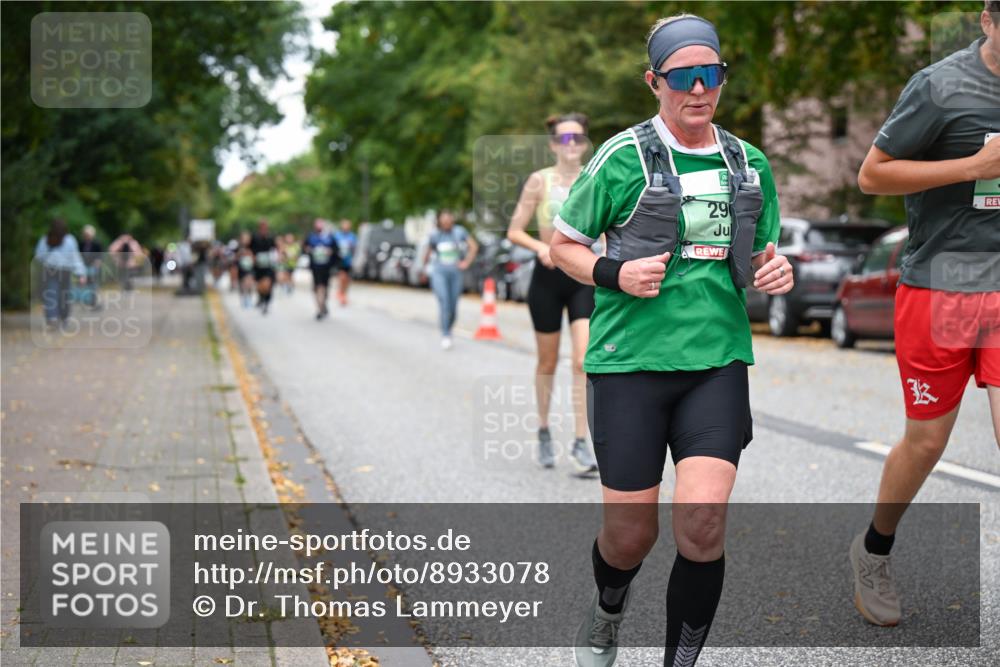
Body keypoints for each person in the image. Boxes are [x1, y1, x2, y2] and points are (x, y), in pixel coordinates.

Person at [547, 15, 793, 666]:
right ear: (654, 82)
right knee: (630, 536)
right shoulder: (622, 159)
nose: (698, 89)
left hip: (716, 362)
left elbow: (764, 253)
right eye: (682, 77)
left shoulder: (748, 162)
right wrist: (614, 272)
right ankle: (605, 611)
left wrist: (777, 268)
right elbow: (562, 245)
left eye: (710, 75)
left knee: (703, 523)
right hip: (630, 364)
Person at [849, 0, 1000, 628]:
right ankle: (874, 549)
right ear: (990, 21)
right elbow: (872, 176)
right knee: (927, 440)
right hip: (940, 287)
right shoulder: (940, 86)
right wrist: (973, 167)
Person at [507, 112, 599, 473]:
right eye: (563, 138)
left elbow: (607, 228)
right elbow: (514, 231)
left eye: (577, 137)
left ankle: (581, 441)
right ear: (553, 145)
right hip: (547, 279)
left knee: (582, 360)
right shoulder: (539, 181)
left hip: (582, 278)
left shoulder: (595, 179)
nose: (571, 144)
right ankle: (544, 429)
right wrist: (541, 249)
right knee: (547, 362)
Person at [421, 210, 478, 350]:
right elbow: (427, 253)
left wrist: (466, 262)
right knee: (445, 301)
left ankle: (449, 327)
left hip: (455, 273)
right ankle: (445, 334)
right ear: (439, 221)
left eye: (448, 219)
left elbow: (474, 246)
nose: (446, 222)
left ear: (452, 220)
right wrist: (424, 269)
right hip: (439, 272)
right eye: (443, 220)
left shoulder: (460, 232)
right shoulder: (434, 235)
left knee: (453, 306)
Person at [34, 218, 86, 329]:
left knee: (51, 294)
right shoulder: (70, 240)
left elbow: (38, 256)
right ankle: (63, 318)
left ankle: (52, 318)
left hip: (50, 270)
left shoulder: (45, 239)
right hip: (65, 271)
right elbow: (75, 258)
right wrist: (80, 273)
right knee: (64, 296)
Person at [303, 218, 339, 320]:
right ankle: (320, 308)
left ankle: (323, 304)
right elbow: (304, 248)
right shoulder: (311, 236)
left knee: (325, 287)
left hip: (326, 267)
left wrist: (330, 251)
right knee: (318, 287)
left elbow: (336, 250)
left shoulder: (329, 237)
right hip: (315, 267)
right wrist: (309, 250)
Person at [250, 219, 278, 315]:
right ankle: (261, 297)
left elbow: (276, 248)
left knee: (267, 284)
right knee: (260, 286)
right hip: (258, 265)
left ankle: (266, 302)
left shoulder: (271, 237)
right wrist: (253, 258)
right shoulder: (254, 237)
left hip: (269, 265)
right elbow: (249, 249)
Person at [334, 219, 358, 306]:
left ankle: (344, 293)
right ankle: (340, 293)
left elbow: (355, 248)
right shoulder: (337, 236)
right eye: (344, 225)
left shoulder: (352, 236)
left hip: (349, 260)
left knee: (347, 279)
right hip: (339, 260)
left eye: (347, 226)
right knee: (342, 277)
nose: (346, 227)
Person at [235, 232, 256, 308]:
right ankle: (244, 298)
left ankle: (249, 298)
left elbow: (254, 257)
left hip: (250, 268)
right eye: (244, 239)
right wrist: (240, 254)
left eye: (247, 239)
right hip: (242, 268)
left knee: (250, 283)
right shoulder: (238, 247)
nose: (246, 240)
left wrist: (250, 255)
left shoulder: (253, 247)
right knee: (243, 284)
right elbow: (235, 258)